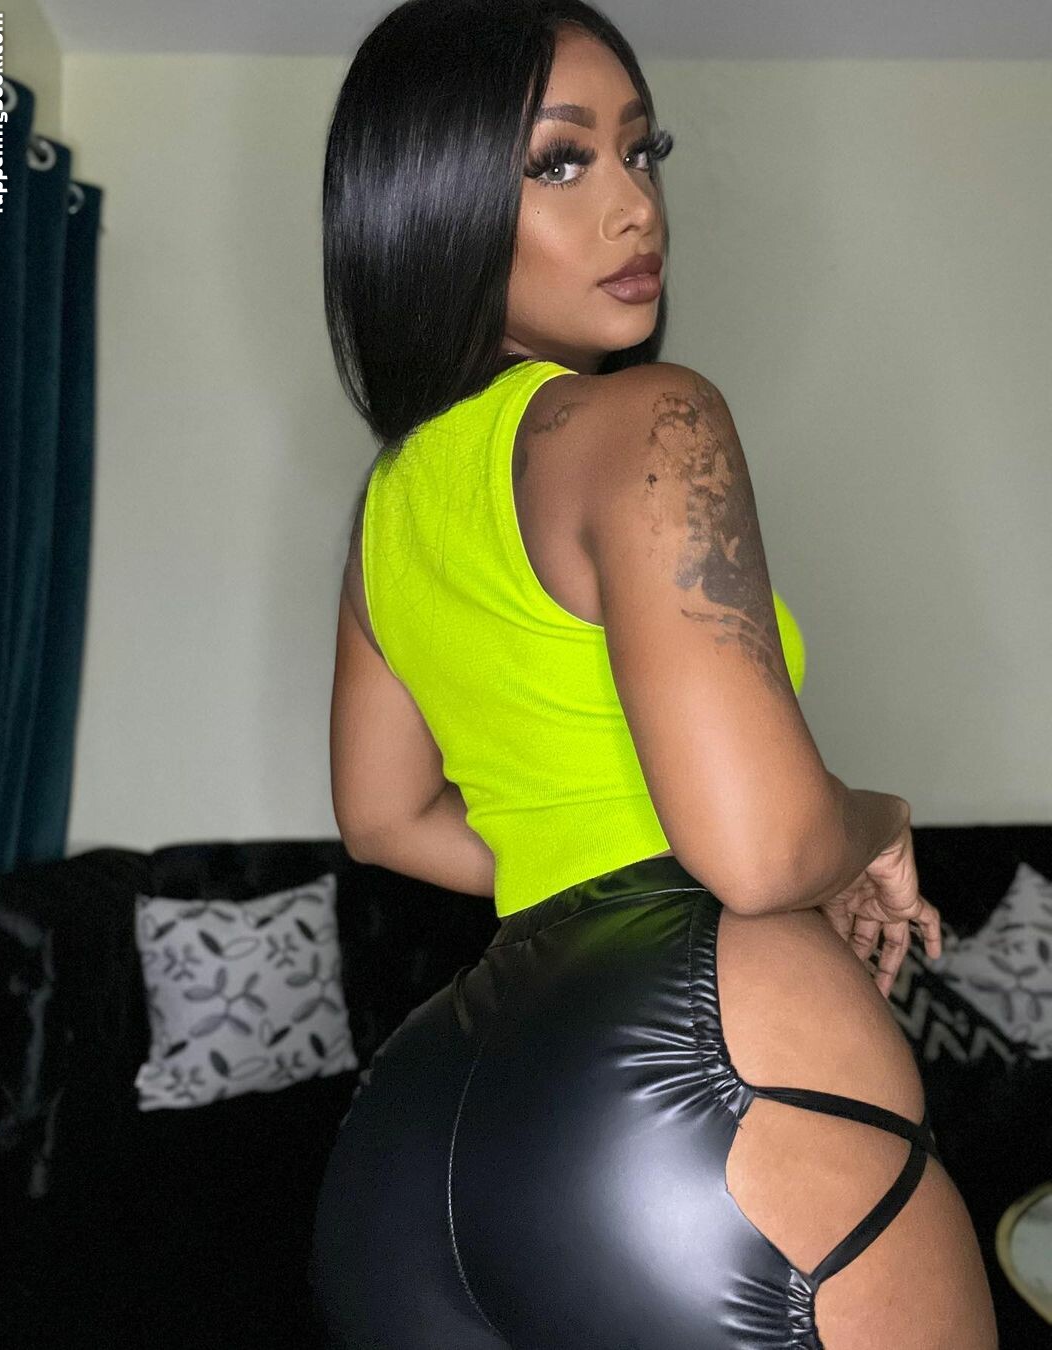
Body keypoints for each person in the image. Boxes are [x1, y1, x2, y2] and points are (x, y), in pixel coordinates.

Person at [309, 2, 998, 1346]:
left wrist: (599, 845)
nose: (633, 206)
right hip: (707, 1073)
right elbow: (760, 849)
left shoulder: (390, 508)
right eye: (561, 161)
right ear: (436, 202)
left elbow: (382, 818)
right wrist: (873, 822)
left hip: (414, 1142)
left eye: (643, 149)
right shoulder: (647, 418)